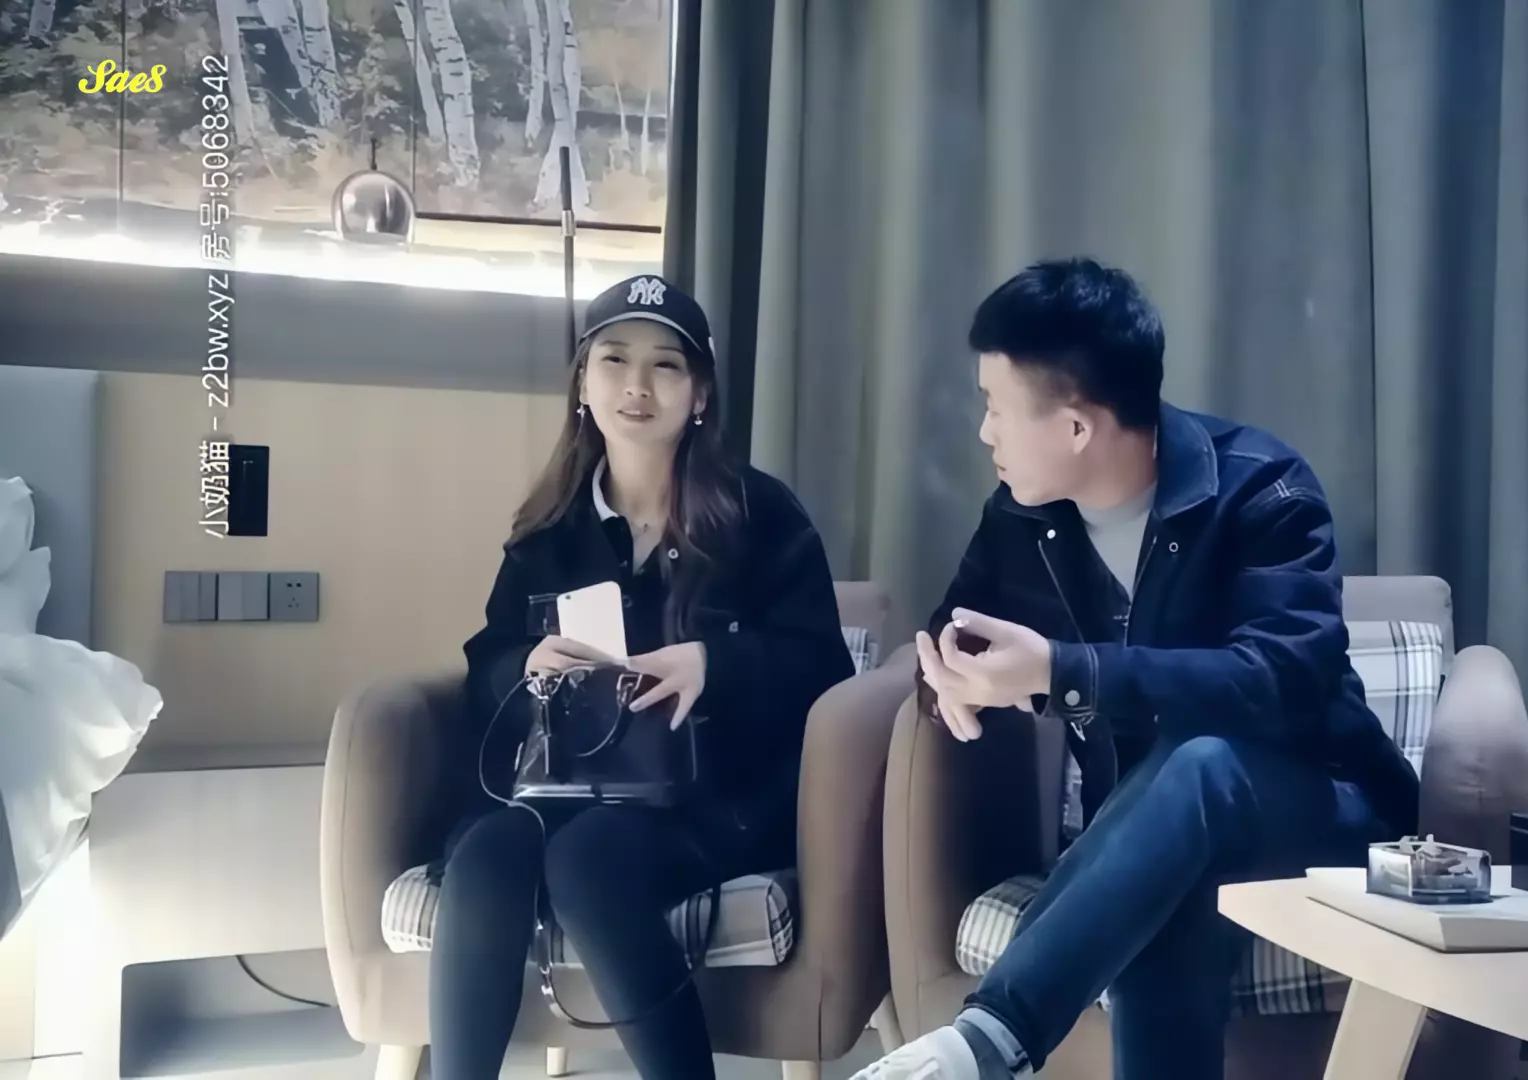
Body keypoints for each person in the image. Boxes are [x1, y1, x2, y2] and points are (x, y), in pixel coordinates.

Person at [854, 258, 1421, 1080]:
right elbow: (956, 628)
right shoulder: (1024, 514)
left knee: (1201, 762)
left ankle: (990, 1038)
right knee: (1167, 902)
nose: (985, 433)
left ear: (1075, 429)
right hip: (1162, 836)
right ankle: (988, 1042)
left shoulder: (1263, 489)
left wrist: (1064, 672)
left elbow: (1281, 684)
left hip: (1326, 813)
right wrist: (947, 680)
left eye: (997, 408)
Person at [432, 274, 856, 1080]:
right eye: (615, 360)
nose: (637, 385)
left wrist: (714, 664)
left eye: (666, 365)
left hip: (716, 797)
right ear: (582, 386)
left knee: (588, 862)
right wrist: (524, 667)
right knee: (485, 854)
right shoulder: (547, 534)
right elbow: (483, 668)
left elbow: (824, 669)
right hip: (568, 788)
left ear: (700, 395)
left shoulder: (762, 515)